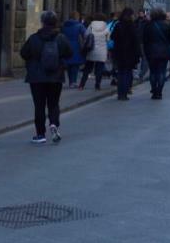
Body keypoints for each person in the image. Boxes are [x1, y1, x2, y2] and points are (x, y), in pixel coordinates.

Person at [20, 10, 73, 144]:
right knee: (53, 103)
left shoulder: (34, 38)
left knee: (39, 105)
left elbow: (24, 53)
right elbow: (69, 53)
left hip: (37, 77)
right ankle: (54, 123)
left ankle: (40, 134)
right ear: (55, 22)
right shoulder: (61, 38)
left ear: (42, 22)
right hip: (56, 76)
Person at [142, 9, 170, 99]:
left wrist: (146, 52)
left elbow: (144, 40)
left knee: (153, 72)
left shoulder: (148, 25)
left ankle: (154, 90)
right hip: (164, 52)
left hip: (151, 52)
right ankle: (159, 92)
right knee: (162, 72)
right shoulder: (167, 25)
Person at [110, 7, 140, 100]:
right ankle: (125, 93)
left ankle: (120, 93)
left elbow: (112, 36)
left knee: (121, 73)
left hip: (119, 52)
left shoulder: (118, 25)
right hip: (130, 53)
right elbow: (136, 41)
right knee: (127, 73)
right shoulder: (132, 26)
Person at [79, 13, 109, 90]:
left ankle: (82, 85)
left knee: (87, 68)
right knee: (99, 69)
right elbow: (108, 38)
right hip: (101, 51)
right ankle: (97, 85)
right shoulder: (105, 26)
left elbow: (86, 35)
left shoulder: (91, 25)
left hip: (92, 49)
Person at [62, 12, 87, 89]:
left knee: (69, 64)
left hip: (66, 45)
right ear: (77, 17)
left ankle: (70, 81)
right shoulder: (79, 25)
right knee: (75, 64)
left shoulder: (64, 25)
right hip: (76, 45)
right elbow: (85, 35)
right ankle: (73, 82)